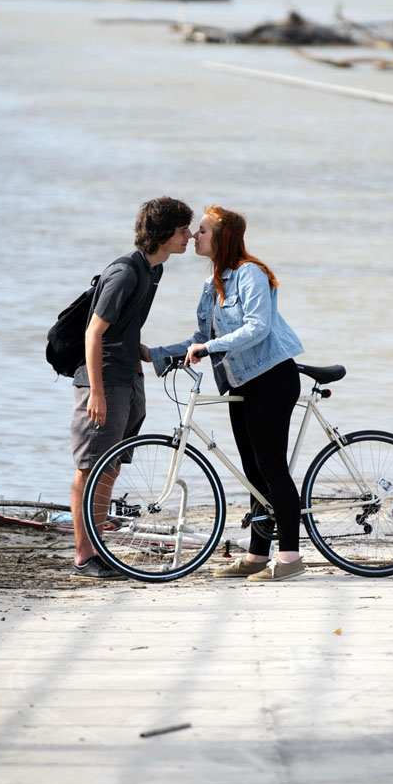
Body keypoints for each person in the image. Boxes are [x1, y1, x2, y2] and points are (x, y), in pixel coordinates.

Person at [148, 205, 306, 582]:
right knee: (253, 473)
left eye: (201, 230)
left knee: (271, 468)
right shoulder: (213, 284)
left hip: (271, 377)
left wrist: (209, 350)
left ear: (222, 237)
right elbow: (202, 339)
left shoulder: (251, 273)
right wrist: (154, 353)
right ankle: (255, 556)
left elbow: (257, 327)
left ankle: (290, 559)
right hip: (243, 382)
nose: (193, 236)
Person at [70, 197, 193, 579]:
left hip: (128, 379)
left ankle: (98, 546)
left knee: (111, 468)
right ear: (163, 234)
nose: (189, 236)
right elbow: (93, 333)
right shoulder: (125, 273)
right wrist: (97, 392)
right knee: (89, 469)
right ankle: (83, 556)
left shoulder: (153, 271)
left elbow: (123, 329)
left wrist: (148, 356)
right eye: (182, 230)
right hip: (103, 381)